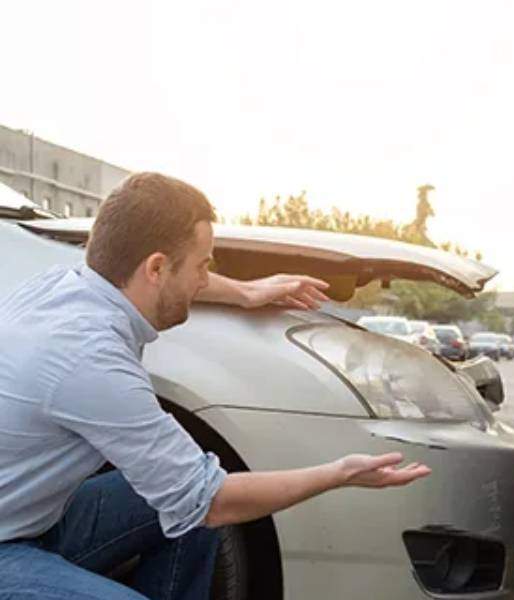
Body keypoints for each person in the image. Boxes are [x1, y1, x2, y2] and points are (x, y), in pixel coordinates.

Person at [0, 172, 432, 600]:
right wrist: (338, 474)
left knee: (182, 510)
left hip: (34, 521)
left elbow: (195, 502)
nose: (204, 280)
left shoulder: (65, 287)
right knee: (201, 502)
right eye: (202, 266)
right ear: (156, 268)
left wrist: (245, 292)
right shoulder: (89, 358)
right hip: (8, 548)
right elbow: (213, 501)